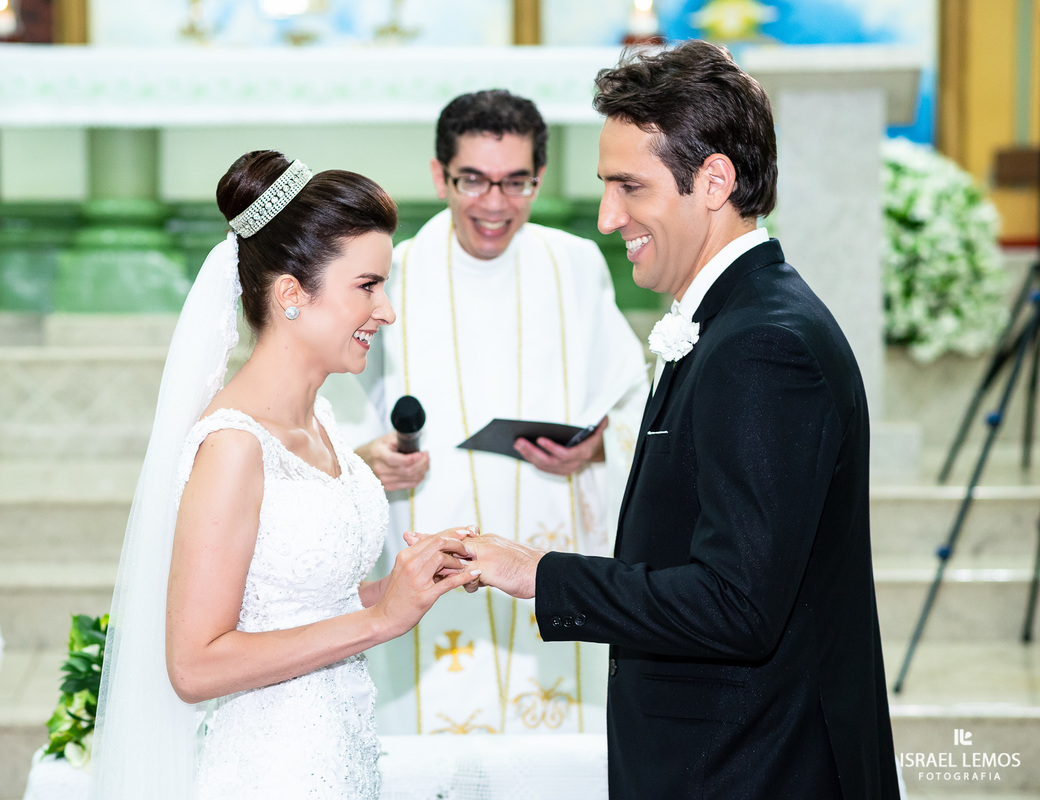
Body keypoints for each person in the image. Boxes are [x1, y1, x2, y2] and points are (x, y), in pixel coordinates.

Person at [450, 41, 900, 798]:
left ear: (714, 180)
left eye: (630, 187)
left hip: (752, 768)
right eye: (604, 187)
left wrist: (541, 574)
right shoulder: (735, 321)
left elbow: (738, 606)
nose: (605, 217)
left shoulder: (763, 345)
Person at [91, 151, 478, 800]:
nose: (385, 311)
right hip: (271, 772)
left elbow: (304, 604)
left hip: (339, 753)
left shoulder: (321, 418)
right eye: (367, 286)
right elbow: (193, 664)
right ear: (292, 294)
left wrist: (402, 586)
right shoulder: (235, 445)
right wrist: (382, 620)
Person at [327, 89, 649, 736]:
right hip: (429, 542)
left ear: (540, 179)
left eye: (516, 182)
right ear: (439, 175)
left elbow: (629, 398)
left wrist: (599, 446)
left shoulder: (578, 265)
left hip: (550, 542)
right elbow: (335, 408)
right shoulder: (392, 273)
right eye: (473, 180)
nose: (495, 204)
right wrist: (366, 460)